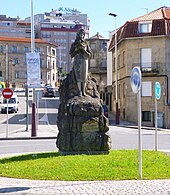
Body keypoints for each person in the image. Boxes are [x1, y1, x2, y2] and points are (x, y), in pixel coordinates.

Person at [69, 28, 91, 96]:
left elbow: (90, 54)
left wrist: (84, 51)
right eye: (80, 34)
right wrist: (76, 50)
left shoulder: (86, 43)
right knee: (78, 77)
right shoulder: (74, 44)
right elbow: (71, 55)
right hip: (77, 61)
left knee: (84, 77)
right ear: (78, 34)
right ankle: (79, 91)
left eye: (83, 34)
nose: (82, 35)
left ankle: (83, 91)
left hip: (84, 61)